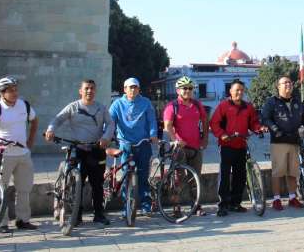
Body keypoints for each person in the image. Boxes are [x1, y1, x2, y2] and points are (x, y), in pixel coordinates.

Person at [45, 79, 113, 225]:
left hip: (96, 149)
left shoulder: (101, 108)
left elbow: (110, 123)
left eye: (92, 88)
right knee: (77, 184)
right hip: (78, 150)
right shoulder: (73, 107)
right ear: (80, 91)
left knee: (97, 184)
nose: (89, 91)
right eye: (86, 88)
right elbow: (57, 119)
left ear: (95, 91)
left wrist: (106, 137)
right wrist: (51, 130)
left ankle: (99, 214)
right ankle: (77, 214)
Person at [0, 76, 39, 232]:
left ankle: (23, 220)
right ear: (1, 93)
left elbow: (35, 120)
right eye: (11, 90)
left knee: (24, 189)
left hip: (23, 153)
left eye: (16, 89)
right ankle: (1, 223)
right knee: (0, 189)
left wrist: (30, 140)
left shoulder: (24, 105)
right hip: (3, 154)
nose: (15, 93)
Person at [210, 79, 265, 217]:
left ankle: (236, 203)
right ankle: (223, 205)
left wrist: (259, 128)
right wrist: (222, 135)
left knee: (240, 176)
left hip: (241, 144)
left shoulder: (248, 107)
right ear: (230, 91)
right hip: (227, 145)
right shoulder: (223, 106)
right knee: (225, 176)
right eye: (236, 90)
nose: (239, 92)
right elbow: (214, 123)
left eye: (241, 90)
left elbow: (253, 123)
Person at [261, 76, 304, 211]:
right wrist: (275, 130)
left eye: (290, 82)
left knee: (292, 172)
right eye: (285, 83)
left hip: (294, 141)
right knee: (278, 172)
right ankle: (276, 199)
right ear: (278, 86)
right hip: (279, 141)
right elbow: (265, 118)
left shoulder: (297, 102)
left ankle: (292, 198)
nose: (288, 85)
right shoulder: (271, 102)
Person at [109, 77, 158, 216]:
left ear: (139, 89)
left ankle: (146, 204)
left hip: (143, 143)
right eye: (130, 87)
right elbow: (110, 121)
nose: (133, 89)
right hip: (125, 144)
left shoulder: (146, 102)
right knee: (126, 176)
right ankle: (127, 207)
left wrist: (153, 134)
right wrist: (107, 137)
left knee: (143, 176)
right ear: (125, 89)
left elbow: (152, 120)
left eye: (135, 87)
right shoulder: (117, 104)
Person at [162, 76, 208, 216]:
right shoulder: (172, 106)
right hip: (180, 148)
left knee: (196, 177)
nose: (188, 90)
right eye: (184, 88)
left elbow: (205, 121)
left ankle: (196, 205)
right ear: (178, 90)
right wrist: (175, 139)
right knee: (178, 178)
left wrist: (205, 138)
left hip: (195, 147)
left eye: (190, 88)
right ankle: (176, 206)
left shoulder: (197, 104)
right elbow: (167, 126)